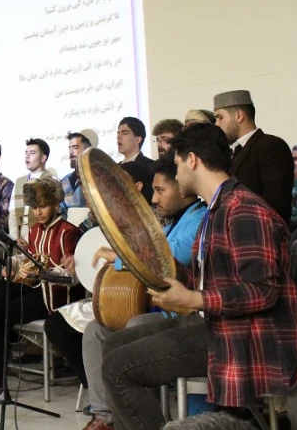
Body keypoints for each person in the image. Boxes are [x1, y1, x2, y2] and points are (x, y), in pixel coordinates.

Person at [101, 123, 297, 430]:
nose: (177, 172)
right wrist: (161, 268)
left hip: (245, 337)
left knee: (118, 367)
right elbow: (210, 275)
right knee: (113, 346)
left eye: (178, 164)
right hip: (224, 325)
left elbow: (263, 290)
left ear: (192, 160)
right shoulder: (218, 207)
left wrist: (194, 298)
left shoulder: (243, 209)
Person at [49, 154, 208, 430]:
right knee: (95, 332)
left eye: (160, 190)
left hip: (179, 313)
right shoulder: (168, 220)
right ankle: (105, 416)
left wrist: (119, 257)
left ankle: (146, 419)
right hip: (153, 307)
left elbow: (169, 257)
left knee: (134, 327)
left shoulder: (200, 218)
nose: (154, 198)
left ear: (182, 189)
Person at [0, 178, 80, 402]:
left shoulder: (68, 232)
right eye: (35, 206)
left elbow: (73, 275)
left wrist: (40, 272)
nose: (39, 211)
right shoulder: (34, 231)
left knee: (0, 313)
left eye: (44, 205)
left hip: (56, 297)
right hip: (36, 290)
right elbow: (30, 259)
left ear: (55, 204)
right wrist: (14, 264)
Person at [213, 90, 294, 223]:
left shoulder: (271, 146)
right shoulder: (233, 152)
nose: (217, 124)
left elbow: (276, 204)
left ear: (239, 116)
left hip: (262, 236)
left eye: (220, 117)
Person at [9, 138, 55, 239]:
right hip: (22, 234)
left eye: (32, 153)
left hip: (43, 233)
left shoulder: (52, 180)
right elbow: (12, 213)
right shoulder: (19, 181)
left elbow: (55, 213)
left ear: (43, 158)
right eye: (26, 152)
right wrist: (15, 238)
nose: (27, 156)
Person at [61, 130, 95, 210]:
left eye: (75, 147)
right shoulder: (65, 180)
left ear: (87, 150)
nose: (70, 152)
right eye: (69, 148)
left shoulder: (98, 177)